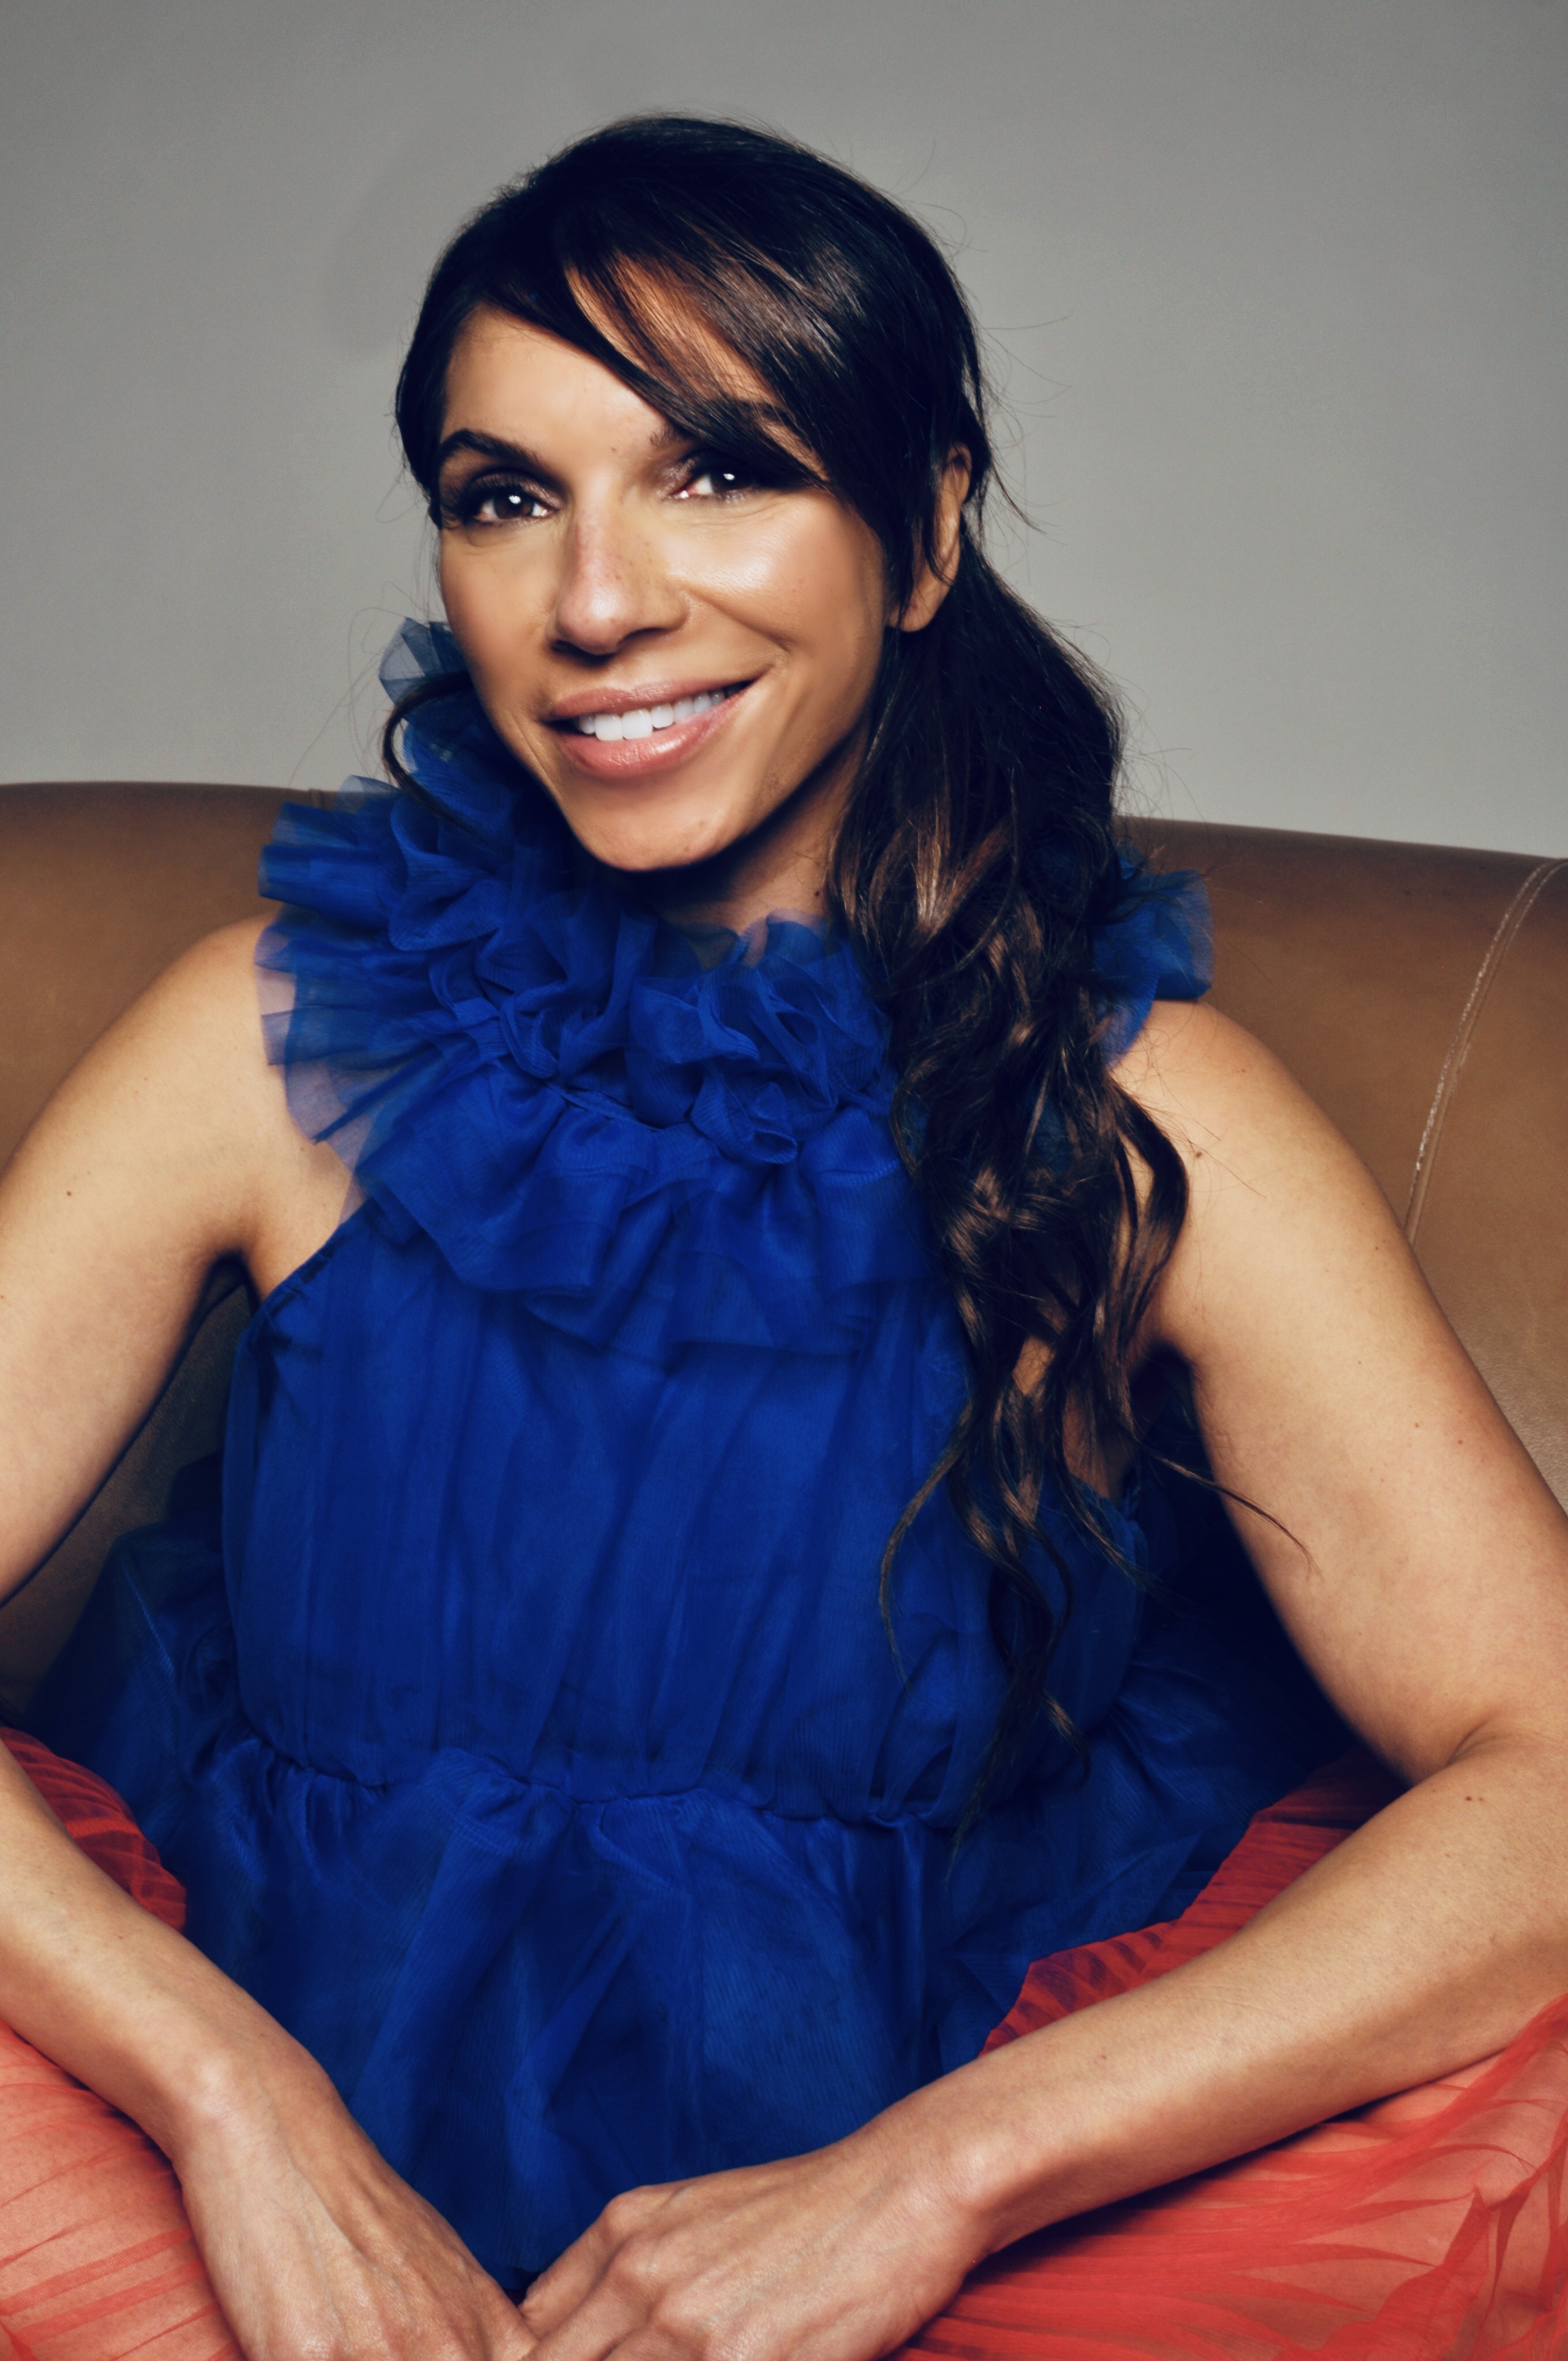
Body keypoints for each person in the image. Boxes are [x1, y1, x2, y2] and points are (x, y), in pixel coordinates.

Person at [0, 112, 1566, 2361]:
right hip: (248, 2116)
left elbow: (1539, 1771)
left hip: (912, 2152)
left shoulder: (1133, 1103)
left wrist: (937, 2175)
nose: (595, 597)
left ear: (923, 533)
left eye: (716, 469)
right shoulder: (275, 1030)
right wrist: (230, 2098)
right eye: (501, 493)